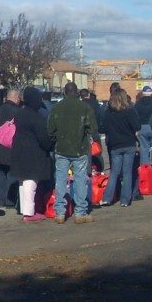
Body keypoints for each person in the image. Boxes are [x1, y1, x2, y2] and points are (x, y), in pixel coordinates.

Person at [46, 81, 97, 224]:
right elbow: (93, 128)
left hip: (61, 149)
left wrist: (57, 139)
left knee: (60, 181)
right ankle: (80, 212)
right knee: (80, 180)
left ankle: (60, 213)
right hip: (79, 149)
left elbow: (50, 129)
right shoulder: (85, 108)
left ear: (64, 92)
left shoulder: (57, 108)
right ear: (77, 92)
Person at [9, 88, 53, 223]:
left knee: (23, 182)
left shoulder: (19, 114)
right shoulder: (36, 117)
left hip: (18, 152)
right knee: (31, 182)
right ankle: (29, 213)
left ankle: (24, 210)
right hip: (33, 154)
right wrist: (50, 145)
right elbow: (44, 139)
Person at [101, 89, 140, 208]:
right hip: (129, 144)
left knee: (114, 172)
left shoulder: (108, 112)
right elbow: (137, 126)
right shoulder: (129, 111)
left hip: (115, 145)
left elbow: (103, 128)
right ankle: (125, 200)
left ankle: (107, 198)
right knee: (127, 172)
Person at [0, 89, 21, 209]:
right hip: (11, 147)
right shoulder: (17, 112)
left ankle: (1, 200)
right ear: (16, 97)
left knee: (1, 173)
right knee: (12, 174)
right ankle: (10, 201)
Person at [133, 86, 152, 166]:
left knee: (144, 149)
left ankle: (145, 170)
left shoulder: (138, 103)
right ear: (151, 92)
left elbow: (135, 116)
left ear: (143, 93)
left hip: (142, 128)